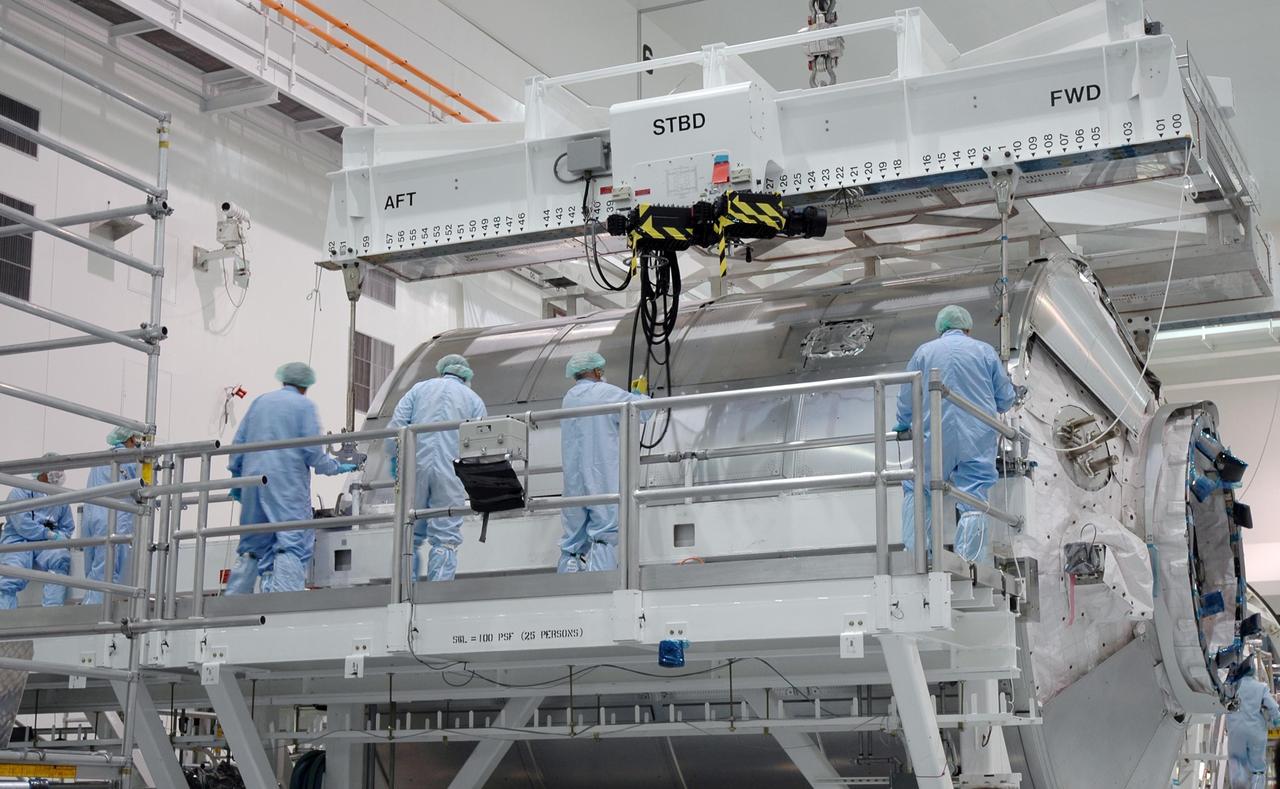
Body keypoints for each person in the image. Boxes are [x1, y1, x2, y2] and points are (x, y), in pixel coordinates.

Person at [894, 305, 1017, 564]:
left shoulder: (924, 352)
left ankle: (916, 556)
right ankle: (970, 563)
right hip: (977, 434)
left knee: (919, 485)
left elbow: (907, 395)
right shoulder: (985, 351)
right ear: (968, 328)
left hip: (935, 434)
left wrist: (903, 423)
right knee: (973, 493)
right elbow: (1005, 398)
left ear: (940, 328)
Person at [226, 363, 356, 595]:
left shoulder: (260, 402)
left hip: (252, 482)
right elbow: (314, 453)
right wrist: (337, 467)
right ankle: (283, 605)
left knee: (252, 548)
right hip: (285, 486)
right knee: (290, 543)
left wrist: (237, 478)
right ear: (306, 385)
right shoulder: (304, 406)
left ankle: (233, 604)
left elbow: (238, 444)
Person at [387, 354, 486, 582]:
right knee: (446, 537)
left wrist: (395, 461)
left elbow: (396, 429)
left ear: (442, 371)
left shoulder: (417, 390)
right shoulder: (473, 400)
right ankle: (438, 591)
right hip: (452, 474)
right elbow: (481, 444)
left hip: (414, 470)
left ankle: (403, 591)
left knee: (408, 533)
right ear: (466, 376)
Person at [558, 352, 650, 573]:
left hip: (574, 480)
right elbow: (641, 411)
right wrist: (640, 394)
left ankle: (567, 581)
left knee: (573, 539)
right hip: (600, 474)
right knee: (604, 533)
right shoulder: (605, 392)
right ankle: (600, 585)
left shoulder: (569, 398)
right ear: (597, 371)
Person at [0, 455, 74, 609]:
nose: (59, 473)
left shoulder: (61, 497)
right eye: (55, 469)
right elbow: (22, 524)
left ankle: (52, 612)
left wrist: (60, 537)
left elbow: (67, 526)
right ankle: (5, 615)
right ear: (42, 471)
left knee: (60, 558)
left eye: (61, 469)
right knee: (11, 574)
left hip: (46, 544)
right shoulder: (21, 491)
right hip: (18, 540)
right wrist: (48, 534)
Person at [81, 427, 145, 605]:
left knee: (94, 571)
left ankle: (89, 607)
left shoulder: (102, 459)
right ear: (131, 439)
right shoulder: (131, 459)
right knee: (107, 572)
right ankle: (96, 614)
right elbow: (146, 486)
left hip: (92, 518)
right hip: (114, 519)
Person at [1228, 661, 1280, 788]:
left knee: (1237, 762)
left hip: (1236, 730)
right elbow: (1273, 707)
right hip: (1256, 732)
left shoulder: (1232, 687)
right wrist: (1276, 721)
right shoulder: (1261, 687)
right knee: (1258, 768)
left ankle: (1239, 785)